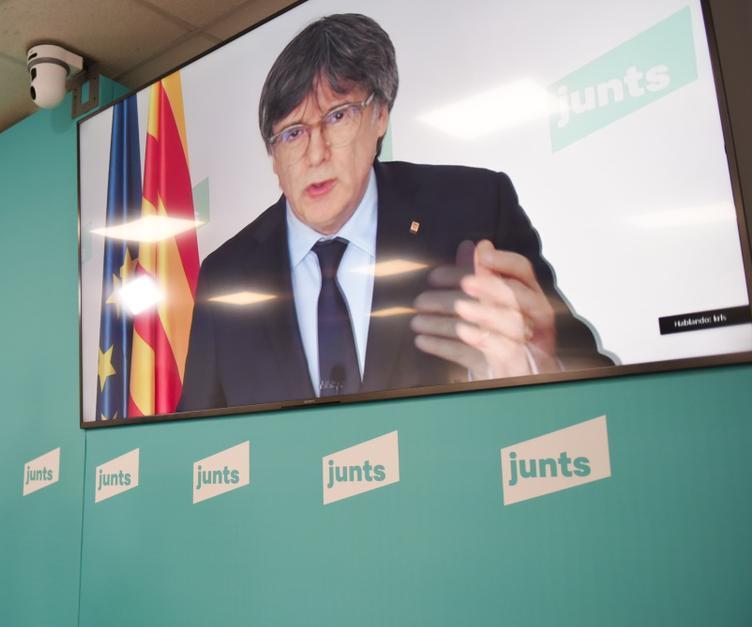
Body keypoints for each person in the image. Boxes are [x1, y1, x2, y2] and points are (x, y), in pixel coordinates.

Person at [177, 13, 612, 412]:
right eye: (292, 134)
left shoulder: (475, 209)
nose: (316, 153)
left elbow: (599, 382)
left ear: (380, 114)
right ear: (273, 156)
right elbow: (197, 437)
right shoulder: (226, 275)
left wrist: (544, 365)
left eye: (337, 116)